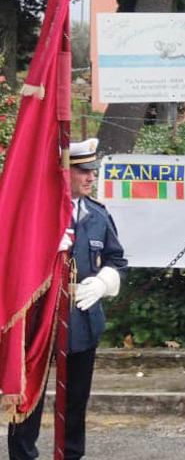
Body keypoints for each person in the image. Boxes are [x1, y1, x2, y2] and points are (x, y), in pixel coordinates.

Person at [8, 138, 126, 460]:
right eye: (83, 171)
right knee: (30, 395)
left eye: (93, 172)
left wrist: (103, 283)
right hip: (41, 316)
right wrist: (46, 246)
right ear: (65, 172)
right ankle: (22, 455)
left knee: (76, 398)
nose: (91, 178)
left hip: (82, 317)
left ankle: (72, 455)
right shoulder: (37, 212)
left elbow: (117, 259)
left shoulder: (97, 215)